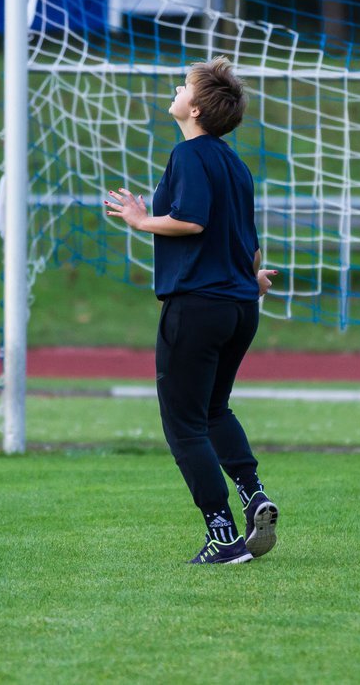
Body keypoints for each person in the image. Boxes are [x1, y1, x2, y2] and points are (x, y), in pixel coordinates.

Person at [104, 56, 279, 565]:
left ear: (195, 108)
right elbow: (251, 249)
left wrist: (140, 219)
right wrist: (251, 280)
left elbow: (193, 222)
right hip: (240, 306)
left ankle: (223, 538)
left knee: (184, 424)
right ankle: (253, 494)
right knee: (213, 410)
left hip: (199, 307)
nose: (176, 88)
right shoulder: (234, 164)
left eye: (184, 85)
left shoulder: (190, 155)